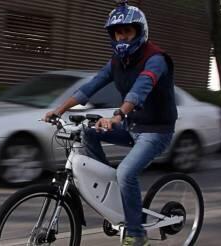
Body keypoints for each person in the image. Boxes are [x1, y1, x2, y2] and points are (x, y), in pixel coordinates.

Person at [43, 1, 177, 246]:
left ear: (139, 31)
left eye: (127, 31)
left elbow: (141, 88)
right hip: (132, 126)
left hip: (156, 131)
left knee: (126, 172)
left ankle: (137, 235)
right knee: (87, 133)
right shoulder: (117, 61)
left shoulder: (156, 59)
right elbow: (91, 86)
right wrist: (59, 109)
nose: (122, 36)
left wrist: (118, 115)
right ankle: (112, 191)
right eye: (118, 32)